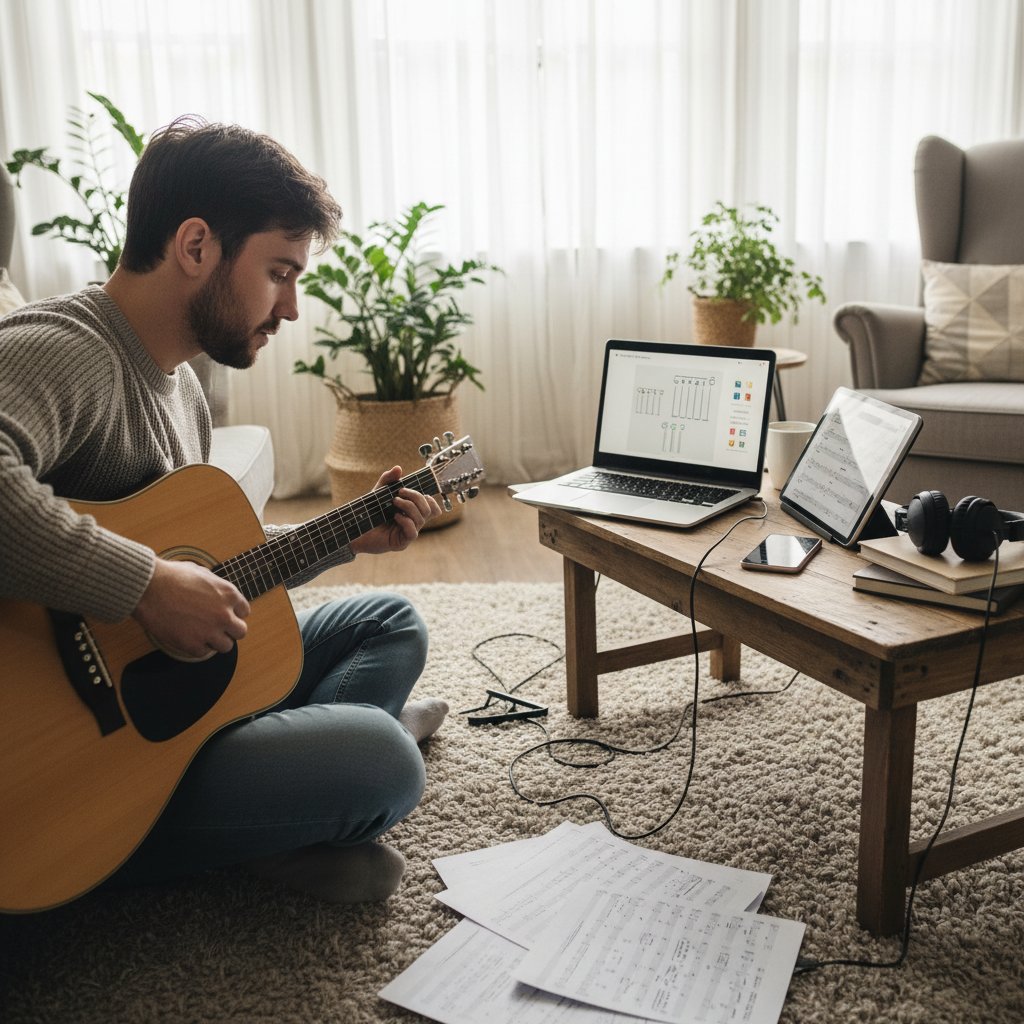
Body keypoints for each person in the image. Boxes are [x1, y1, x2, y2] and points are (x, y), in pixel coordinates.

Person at [0, 116, 450, 905]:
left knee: (389, 622)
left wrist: (343, 538)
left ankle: (270, 808)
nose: (293, 307)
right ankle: (249, 813)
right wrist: (143, 586)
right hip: (54, 766)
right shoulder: (59, 348)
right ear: (197, 245)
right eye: (280, 272)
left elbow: (204, 564)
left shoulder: (181, 384)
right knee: (383, 759)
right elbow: (157, 577)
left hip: (156, 695)